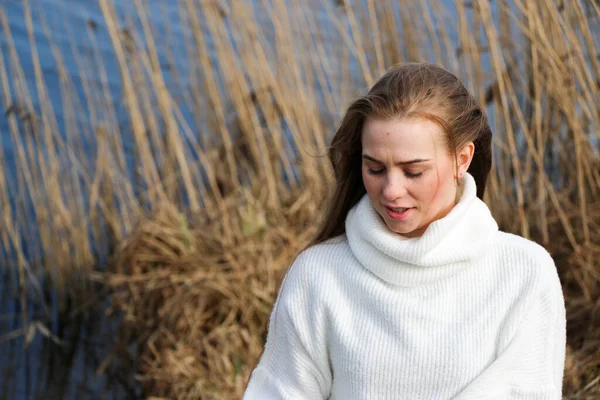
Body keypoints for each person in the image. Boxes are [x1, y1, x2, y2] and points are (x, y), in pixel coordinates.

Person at [243, 62, 566, 399]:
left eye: (413, 172)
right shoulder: (318, 274)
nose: (391, 190)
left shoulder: (524, 272)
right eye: (375, 168)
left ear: (463, 158)